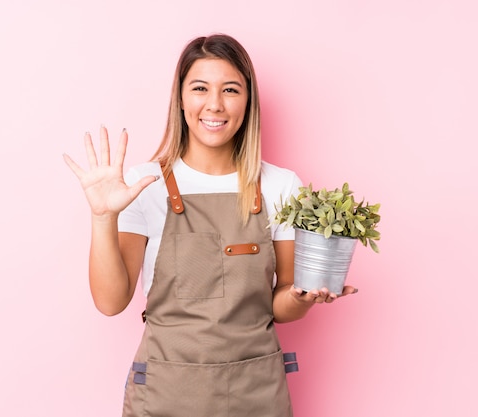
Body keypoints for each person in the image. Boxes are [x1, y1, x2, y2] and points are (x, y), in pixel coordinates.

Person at [64, 33, 357, 417]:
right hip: (166, 396)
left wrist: (303, 297)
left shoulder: (281, 186)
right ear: (181, 98)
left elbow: (283, 303)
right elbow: (110, 301)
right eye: (200, 88)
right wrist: (103, 217)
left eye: (231, 89)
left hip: (257, 394)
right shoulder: (144, 185)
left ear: (248, 100)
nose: (214, 104)